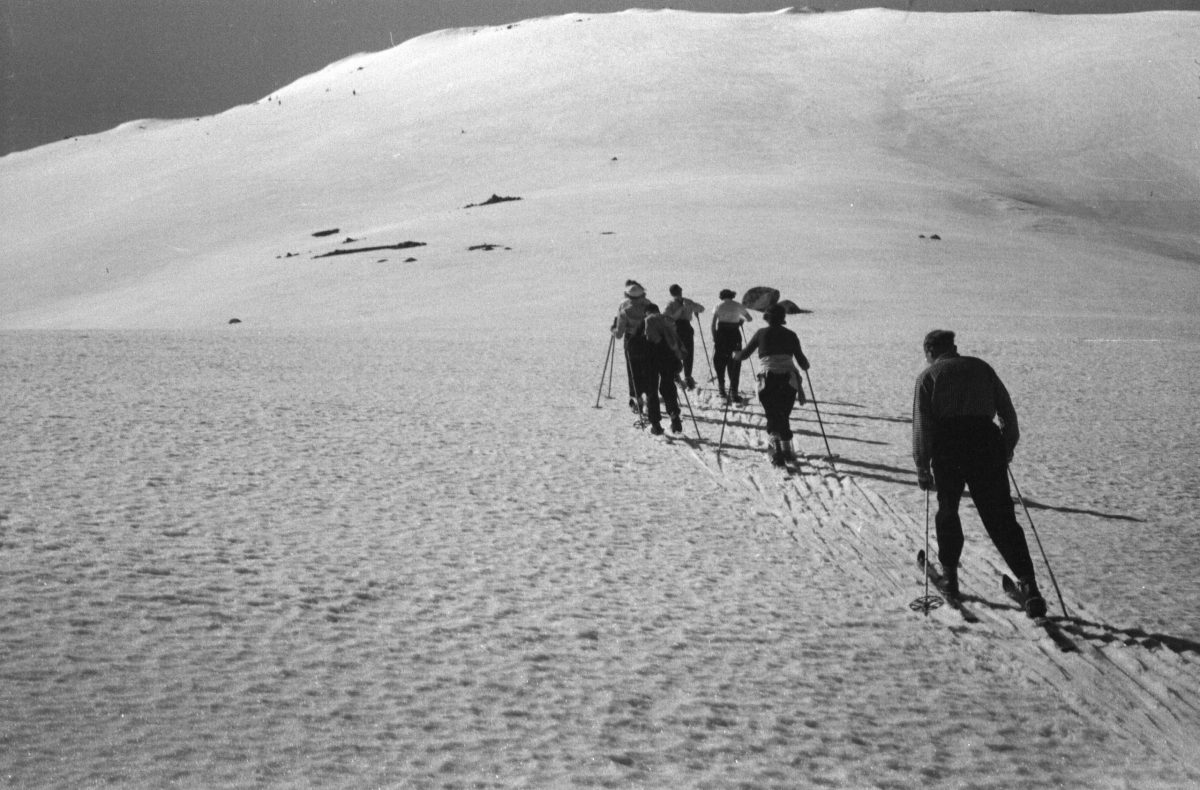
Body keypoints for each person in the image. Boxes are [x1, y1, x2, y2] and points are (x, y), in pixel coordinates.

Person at [911, 329, 1046, 618]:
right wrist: (1005, 448)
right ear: (954, 347)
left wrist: (922, 466)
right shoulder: (981, 368)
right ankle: (1029, 585)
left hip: (949, 448)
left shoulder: (928, 377)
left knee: (948, 510)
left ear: (930, 351)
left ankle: (950, 578)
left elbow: (923, 426)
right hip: (986, 443)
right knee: (1001, 518)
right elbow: (1008, 414)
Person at [737, 303, 810, 466]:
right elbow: (802, 361)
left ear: (766, 318)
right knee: (784, 413)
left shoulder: (761, 333)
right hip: (789, 380)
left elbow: (744, 355)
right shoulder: (791, 335)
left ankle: (776, 447)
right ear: (782, 318)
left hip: (767, 380)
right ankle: (787, 449)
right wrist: (805, 366)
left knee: (772, 414)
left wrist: (735, 355)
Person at [642, 303, 686, 434]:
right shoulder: (668, 319)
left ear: (647, 312)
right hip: (669, 357)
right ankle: (675, 417)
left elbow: (650, 338)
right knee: (668, 386)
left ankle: (655, 424)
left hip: (652, 357)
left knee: (652, 390)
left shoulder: (648, 320)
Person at [611, 280, 651, 414]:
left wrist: (614, 330)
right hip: (647, 341)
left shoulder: (625, 310)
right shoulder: (649, 305)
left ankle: (636, 398)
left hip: (631, 342)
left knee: (633, 370)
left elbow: (619, 334)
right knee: (647, 369)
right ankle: (650, 398)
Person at [711, 289, 752, 403]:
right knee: (734, 362)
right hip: (734, 335)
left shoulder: (718, 305)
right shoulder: (738, 305)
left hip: (721, 335)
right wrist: (739, 321)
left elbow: (713, 324)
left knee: (719, 360)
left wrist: (715, 337)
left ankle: (721, 389)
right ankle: (734, 392)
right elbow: (749, 318)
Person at [663, 284, 705, 390]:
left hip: (675, 329)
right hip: (686, 328)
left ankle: (676, 375)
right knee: (688, 352)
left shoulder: (670, 304)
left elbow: (665, 316)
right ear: (681, 291)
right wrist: (693, 309)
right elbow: (701, 308)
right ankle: (688, 376)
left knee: (676, 351)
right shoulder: (688, 302)